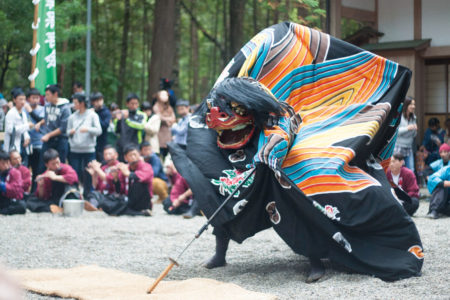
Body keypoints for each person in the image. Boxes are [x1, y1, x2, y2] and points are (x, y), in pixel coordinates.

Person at [91, 145, 153, 216]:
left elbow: (142, 177)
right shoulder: (124, 168)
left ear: (139, 155)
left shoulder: (146, 166)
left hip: (142, 200)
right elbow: (119, 191)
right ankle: (139, 213)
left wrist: (129, 174)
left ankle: (122, 210)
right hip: (127, 200)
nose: (133, 157)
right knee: (105, 204)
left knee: (138, 183)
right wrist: (116, 179)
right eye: (130, 155)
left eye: (135, 155)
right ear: (125, 158)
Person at [67, 93, 102, 197]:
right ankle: (75, 192)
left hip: (89, 149)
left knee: (89, 173)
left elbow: (99, 130)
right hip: (74, 149)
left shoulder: (92, 115)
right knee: (75, 171)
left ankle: (89, 194)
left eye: (76, 103)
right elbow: (67, 131)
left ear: (82, 103)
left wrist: (88, 129)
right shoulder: (72, 117)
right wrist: (70, 132)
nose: (74, 105)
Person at [27, 149, 78, 213]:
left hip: (67, 197)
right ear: (47, 165)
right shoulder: (45, 175)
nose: (57, 165)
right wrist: (41, 186)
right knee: (30, 201)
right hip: (54, 200)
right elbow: (43, 197)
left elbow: (74, 178)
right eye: (53, 164)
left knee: (72, 191)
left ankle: (63, 207)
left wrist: (55, 177)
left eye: (57, 162)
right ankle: (59, 208)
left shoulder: (65, 167)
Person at [35, 85, 71, 169]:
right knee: (43, 164)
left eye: (48, 94)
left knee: (59, 166)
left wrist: (48, 135)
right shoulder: (47, 105)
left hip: (60, 140)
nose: (45, 97)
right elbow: (47, 118)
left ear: (55, 94)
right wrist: (40, 123)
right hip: (48, 140)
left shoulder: (65, 108)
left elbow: (63, 128)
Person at [115, 93, 147, 160]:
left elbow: (141, 126)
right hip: (122, 145)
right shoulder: (122, 113)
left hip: (135, 144)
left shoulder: (142, 114)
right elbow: (116, 130)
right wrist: (118, 120)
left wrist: (127, 120)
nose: (134, 106)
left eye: (136, 103)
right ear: (127, 104)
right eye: (132, 103)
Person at [24, 88, 45, 189]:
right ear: (28, 99)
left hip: (38, 143)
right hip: (26, 144)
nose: (36, 100)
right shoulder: (23, 110)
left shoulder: (42, 109)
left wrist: (31, 111)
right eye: (33, 98)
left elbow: (41, 120)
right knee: (25, 170)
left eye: (37, 98)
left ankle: (34, 192)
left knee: (37, 169)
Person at [3, 88, 31, 153]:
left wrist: (27, 138)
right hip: (13, 145)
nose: (23, 102)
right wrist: (27, 125)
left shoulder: (23, 113)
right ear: (14, 100)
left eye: (24, 99)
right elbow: (10, 130)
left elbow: (25, 130)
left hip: (23, 145)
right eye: (20, 99)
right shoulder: (11, 113)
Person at [394, 97, 417, 172]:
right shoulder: (399, 116)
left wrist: (415, 129)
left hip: (409, 147)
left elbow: (413, 135)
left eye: (414, 104)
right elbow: (396, 132)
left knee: (411, 170)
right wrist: (407, 128)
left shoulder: (414, 117)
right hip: (398, 147)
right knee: (397, 169)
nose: (413, 106)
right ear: (406, 105)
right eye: (411, 104)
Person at [0, 150, 25, 215]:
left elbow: (15, 190)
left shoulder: (15, 172)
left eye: (7, 162)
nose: (6, 165)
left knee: (21, 206)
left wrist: (2, 185)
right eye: (3, 163)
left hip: (11, 199)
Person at [152, 90, 175, 159]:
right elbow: (159, 117)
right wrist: (168, 119)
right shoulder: (156, 106)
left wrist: (167, 119)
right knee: (160, 152)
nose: (165, 97)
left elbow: (173, 118)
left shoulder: (169, 107)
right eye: (163, 95)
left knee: (167, 151)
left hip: (168, 133)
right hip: (159, 132)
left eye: (166, 95)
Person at [91, 92, 112, 162]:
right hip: (91, 141)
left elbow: (104, 125)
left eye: (100, 100)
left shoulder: (106, 112)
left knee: (101, 160)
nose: (98, 102)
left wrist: (95, 116)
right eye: (96, 101)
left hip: (102, 140)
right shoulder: (90, 111)